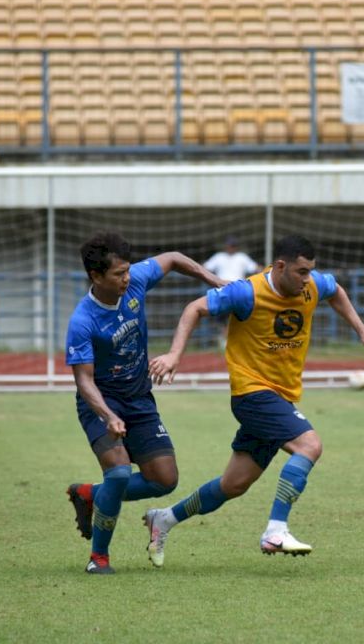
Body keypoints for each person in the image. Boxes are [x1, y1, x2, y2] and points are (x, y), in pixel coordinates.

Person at [143, 234, 364, 567]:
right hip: (252, 393)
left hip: (280, 395)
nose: (307, 280)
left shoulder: (312, 284)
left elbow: (335, 291)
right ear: (280, 266)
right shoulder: (246, 292)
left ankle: (165, 519)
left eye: (311, 272)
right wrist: (174, 354)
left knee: (234, 484)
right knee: (309, 446)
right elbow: (195, 308)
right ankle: (276, 530)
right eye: (301, 272)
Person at [63, 232, 227, 575]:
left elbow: (173, 256)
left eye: (127, 271)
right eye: (118, 274)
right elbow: (84, 381)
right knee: (120, 473)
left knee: (164, 480)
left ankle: (90, 494)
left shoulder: (135, 280)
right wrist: (108, 415)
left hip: (139, 400)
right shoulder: (83, 321)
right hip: (101, 403)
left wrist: (213, 279)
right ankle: (99, 558)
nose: (127, 278)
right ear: (95, 276)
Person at [202, 237, 260, 348]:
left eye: (233, 245)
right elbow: (205, 267)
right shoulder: (219, 257)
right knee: (221, 317)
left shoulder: (242, 257)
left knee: (236, 316)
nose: (231, 248)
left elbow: (254, 268)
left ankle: (229, 339)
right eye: (229, 245)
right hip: (221, 291)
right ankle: (225, 337)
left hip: (239, 291)